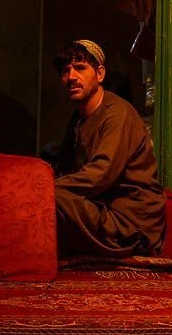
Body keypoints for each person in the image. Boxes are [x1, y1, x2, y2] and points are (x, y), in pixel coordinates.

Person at [52, 40, 166, 258]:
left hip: (129, 223)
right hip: (100, 209)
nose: (71, 77)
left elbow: (100, 175)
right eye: (65, 71)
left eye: (80, 68)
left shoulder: (117, 114)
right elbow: (64, 169)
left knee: (53, 196)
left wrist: (46, 188)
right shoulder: (78, 118)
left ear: (100, 74)